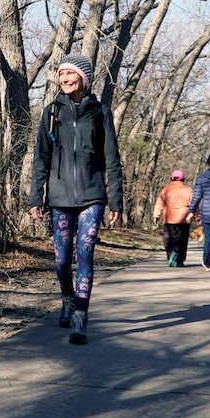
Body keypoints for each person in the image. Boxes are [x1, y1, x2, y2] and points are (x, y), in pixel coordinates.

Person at [29, 53, 124, 345]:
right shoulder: (51, 111)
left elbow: (112, 159)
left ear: (83, 77)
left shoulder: (100, 113)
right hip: (59, 198)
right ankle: (68, 299)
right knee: (61, 260)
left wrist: (116, 201)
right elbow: (41, 157)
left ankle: (81, 315)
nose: (64, 79)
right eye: (61, 75)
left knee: (84, 253)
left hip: (92, 196)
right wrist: (36, 196)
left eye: (70, 74)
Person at [153, 170, 193, 267]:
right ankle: (180, 260)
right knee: (182, 240)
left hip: (170, 217)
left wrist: (156, 215)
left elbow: (160, 203)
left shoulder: (166, 189)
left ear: (172, 178)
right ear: (183, 179)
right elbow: (194, 205)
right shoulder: (188, 190)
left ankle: (171, 253)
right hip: (184, 219)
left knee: (168, 238)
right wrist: (198, 218)